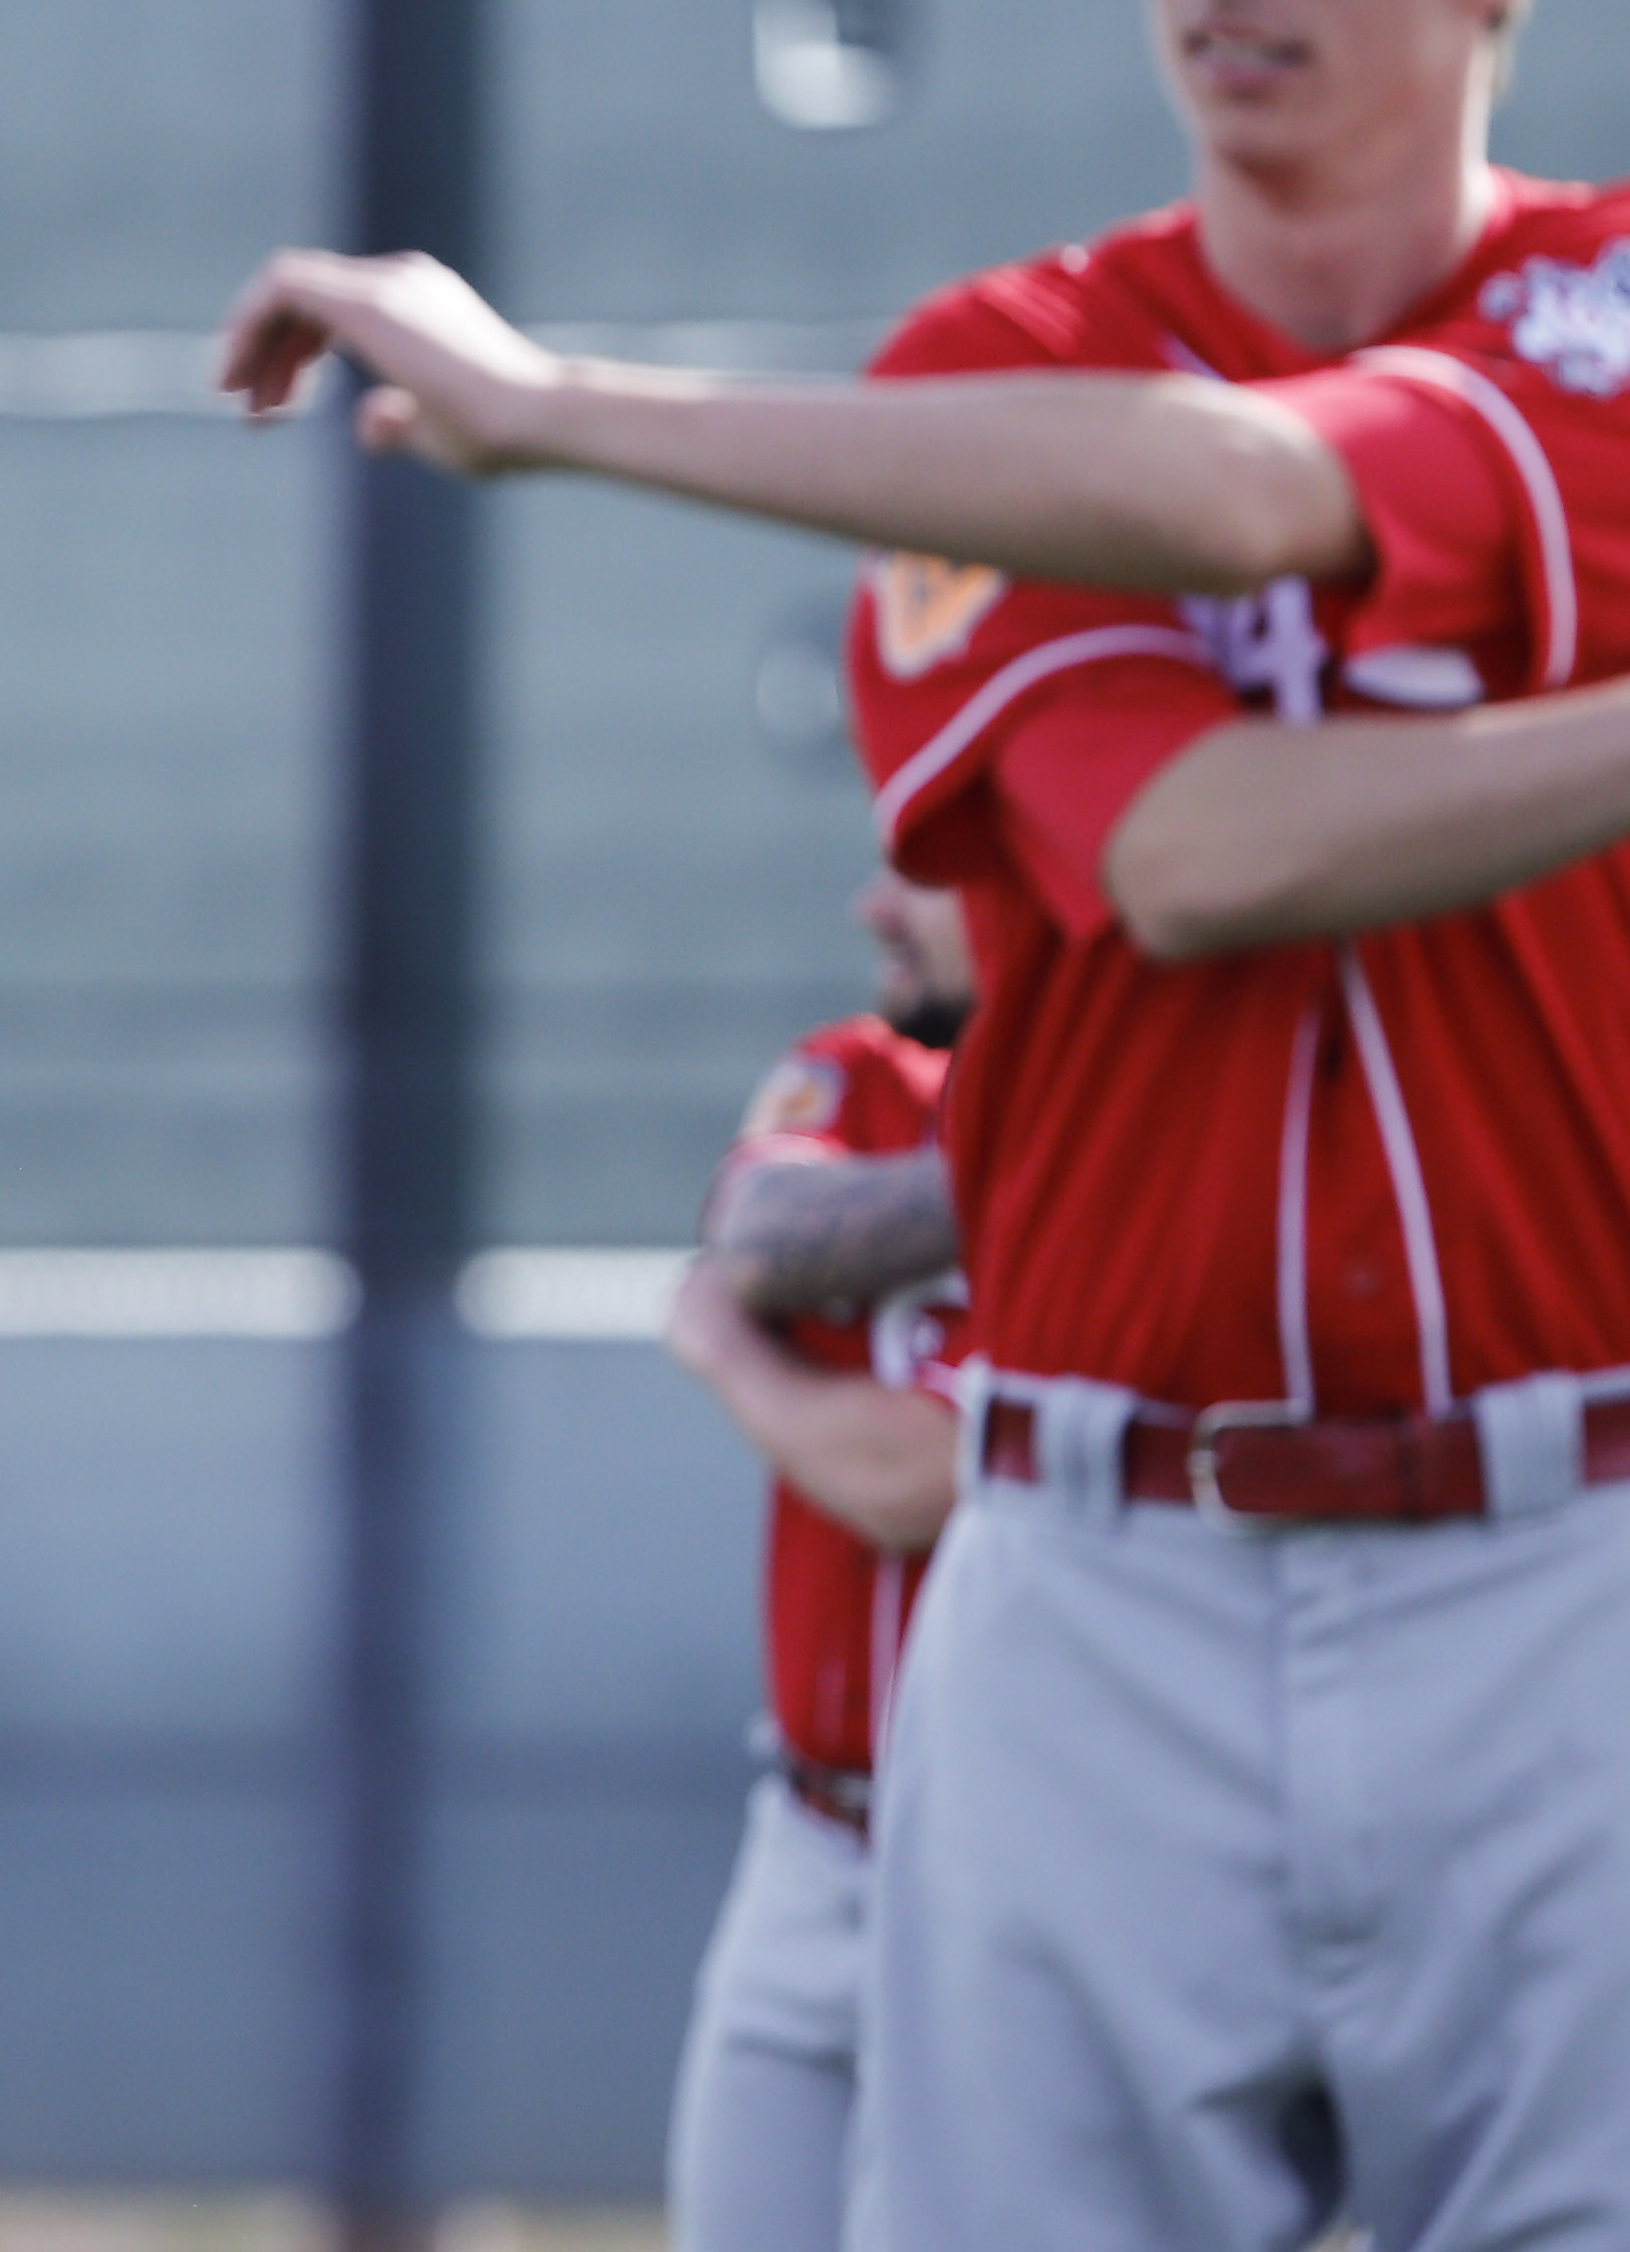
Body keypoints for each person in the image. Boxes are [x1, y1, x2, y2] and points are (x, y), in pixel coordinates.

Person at [220, 0, 1630, 2249]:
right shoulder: (990, 378)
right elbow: (1186, 858)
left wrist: (573, 417)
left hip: (1570, 1565)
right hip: (1090, 1584)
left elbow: (1269, 491)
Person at [658, 870, 971, 2252]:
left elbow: (912, 1477)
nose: (873, 906)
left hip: (1018, 1868)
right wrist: (1068, 1176)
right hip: (812, 1832)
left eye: (929, 872)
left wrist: (738, 1365)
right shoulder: (854, 1073)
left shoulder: (1166, 1179)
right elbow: (761, 1234)